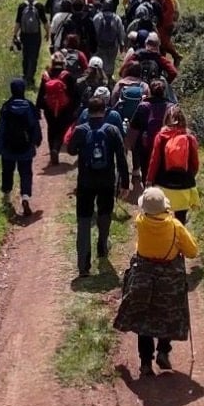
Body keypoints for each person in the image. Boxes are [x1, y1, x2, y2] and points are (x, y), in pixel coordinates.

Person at [113, 187, 199, 376]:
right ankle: (163, 351)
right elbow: (192, 251)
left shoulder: (141, 222)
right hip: (169, 279)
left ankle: (145, 363)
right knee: (166, 315)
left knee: (144, 318)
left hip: (144, 276)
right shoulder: (175, 226)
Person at [67, 97, 130, 277]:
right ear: (104, 111)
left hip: (85, 182)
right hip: (106, 181)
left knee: (84, 220)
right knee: (104, 214)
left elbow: (71, 150)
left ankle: (83, 266)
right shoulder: (112, 130)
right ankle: (102, 245)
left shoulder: (80, 130)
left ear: (88, 111)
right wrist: (124, 183)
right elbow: (121, 159)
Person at [0, 78, 43, 217]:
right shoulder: (29, 106)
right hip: (26, 148)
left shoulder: (6, 107)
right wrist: (37, 141)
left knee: (7, 172)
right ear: (23, 90)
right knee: (26, 173)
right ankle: (25, 197)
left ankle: (7, 197)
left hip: (8, 149)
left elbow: (1, 130)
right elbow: (35, 127)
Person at [146, 106, 201, 225]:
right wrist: (191, 176)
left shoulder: (161, 136)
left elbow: (154, 161)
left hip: (163, 184)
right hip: (184, 184)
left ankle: (165, 239)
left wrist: (149, 180)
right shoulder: (189, 138)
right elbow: (195, 163)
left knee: (162, 218)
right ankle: (179, 239)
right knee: (180, 219)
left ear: (166, 119)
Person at [125, 79, 171, 182]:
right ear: (164, 91)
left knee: (147, 176)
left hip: (146, 148)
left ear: (149, 91)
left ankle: (149, 194)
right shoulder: (171, 107)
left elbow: (134, 128)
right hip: (166, 148)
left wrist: (128, 145)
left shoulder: (143, 106)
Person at [36, 54, 77, 166]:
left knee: (51, 128)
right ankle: (56, 148)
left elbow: (41, 93)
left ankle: (52, 150)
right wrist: (74, 109)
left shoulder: (46, 76)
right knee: (61, 130)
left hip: (49, 108)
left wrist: (38, 107)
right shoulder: (68, 76)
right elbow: (74, 94)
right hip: (65, 109)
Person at [13, 0, 49, 88]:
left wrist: (15, 35)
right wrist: (48, 33)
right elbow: (45, 22)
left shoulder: (22, 6)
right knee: (34, 56)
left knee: (25, 55)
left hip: (24, 34)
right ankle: (30, 78)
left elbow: (18, 23)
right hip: (35, 36)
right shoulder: (39, 6)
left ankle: (25, 76)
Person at [110, 61, 151, 127]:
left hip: (121, 118)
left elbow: (113, 100)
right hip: (138, 120)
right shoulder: (144, 85)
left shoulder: (120, 84)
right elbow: (149, 103)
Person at [92, 0, 126, 74]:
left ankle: (101, 76)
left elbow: (93, 32)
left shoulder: (97, 17)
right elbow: (120, 32)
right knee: (111, 62)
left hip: (100, 45)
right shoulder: (116, 18)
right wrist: (122, 45)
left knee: (100, 61)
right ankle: (109, 77)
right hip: (113, 45)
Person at [153, 0, 182, 65]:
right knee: (161, 44)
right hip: (160, 23)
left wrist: (161, 20)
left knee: (164, 42)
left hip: (166, 23)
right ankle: (163, 62)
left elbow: (170, 11)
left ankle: (176, 56)